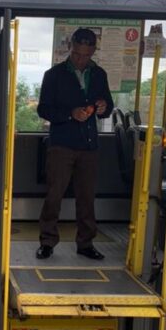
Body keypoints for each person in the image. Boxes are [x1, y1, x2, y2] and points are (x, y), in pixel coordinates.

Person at [36, 27, 114, 260]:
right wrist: (71, 113)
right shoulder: (54, 75)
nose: (82, 59)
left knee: (87, 197)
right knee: (54, 195)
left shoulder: (99, 74)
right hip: (61, 145)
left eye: (87, 55)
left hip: (89, 146)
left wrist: (102, 107)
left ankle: (85, 243)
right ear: (70, 48)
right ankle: (47, 241)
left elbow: (107, 106)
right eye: (78, 54)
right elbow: (43, 109)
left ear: (93, 52)